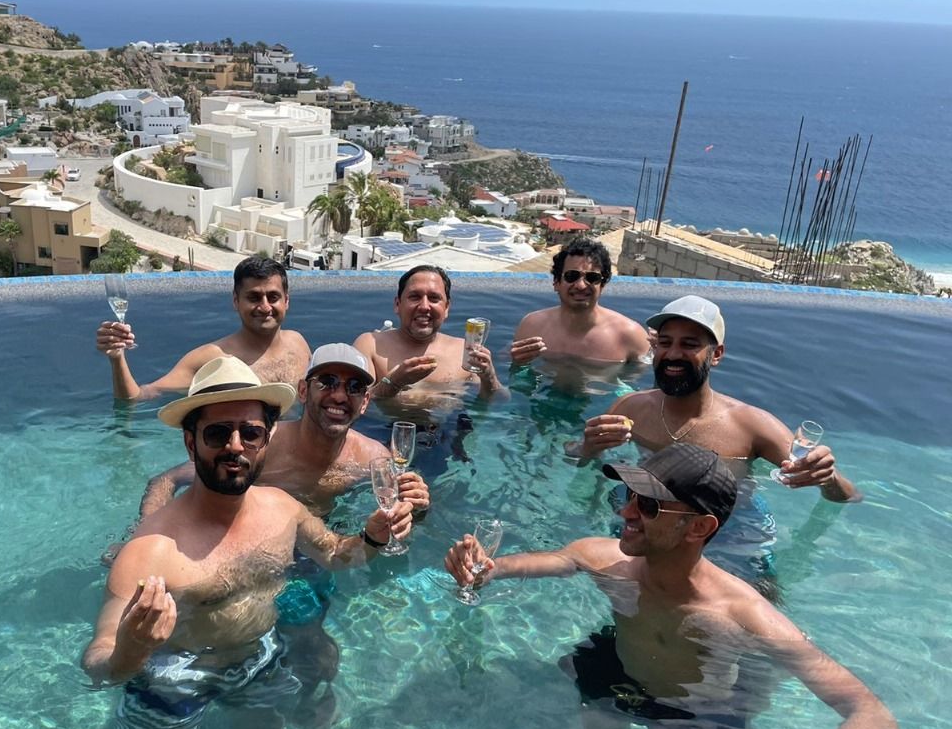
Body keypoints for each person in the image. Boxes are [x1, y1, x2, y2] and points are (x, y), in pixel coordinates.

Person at [444, 443, 897, 729]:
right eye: (629, 497)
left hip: (696, 710)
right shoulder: (606, 560)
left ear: (699, 528)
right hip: (619, 668)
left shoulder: (742, 617)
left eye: (650, 507)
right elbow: (550, 560)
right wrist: (486, 568)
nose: (625, 513)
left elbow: (873, 716)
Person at [81, 356, 413, 729]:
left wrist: (373, 535)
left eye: (250, 433)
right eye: (218, 434)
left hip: (257, 655)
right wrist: (133, 647)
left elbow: (338, 555)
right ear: (190, 443)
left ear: (265, 440)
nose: (235, 447)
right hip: (173, 675)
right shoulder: (151, 550)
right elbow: (99, 663)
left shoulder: (282, 507)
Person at [134, 344, 431, 729]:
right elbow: (166, 480)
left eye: (353, 386)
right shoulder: (259, 443)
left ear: (366, 401)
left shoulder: (375, 459)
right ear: (303, 391)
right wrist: (145, 534)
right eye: (326, 382)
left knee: (319, 656)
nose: (339, 394)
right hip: (254, 549)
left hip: (314, 548)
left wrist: (417, 509)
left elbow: (385, 521)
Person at [570, 294, 860, 596]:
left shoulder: (751, 425)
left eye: (689, 344)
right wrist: (588, 447)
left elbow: (848, 496)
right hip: (650, 516)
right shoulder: (631, 408)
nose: (673, 354)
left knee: (748, 615)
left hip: (730, 532)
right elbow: (576, 455)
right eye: (665, 343)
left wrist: (828, 477)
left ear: (717, 354)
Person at [95, 256, 311, 400]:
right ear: (236, 301)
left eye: (273, 297)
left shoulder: (298, 343)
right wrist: (117, 358)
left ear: (287, 301)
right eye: (253, 297)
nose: (264, 307)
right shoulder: (211, 359)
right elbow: (140, 397)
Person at [353, 265, 507, 411]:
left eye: (434, 298)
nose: (424, 306)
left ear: (446, 308)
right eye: (415, 297)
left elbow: (502, 404)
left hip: (450, 430)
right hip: (384, 431)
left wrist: (489, 378)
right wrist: (394, 383)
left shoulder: (464, 351)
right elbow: (352, 404)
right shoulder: (370, 345)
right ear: (397, 304)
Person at [510, 237, 651, 366]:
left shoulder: (631, 336)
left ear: (602, 285)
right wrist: (517, 363)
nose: (581, 285)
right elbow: (511, 367)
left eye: (592, 277)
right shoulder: (532, 327)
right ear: (556, 282)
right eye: (572, 276)